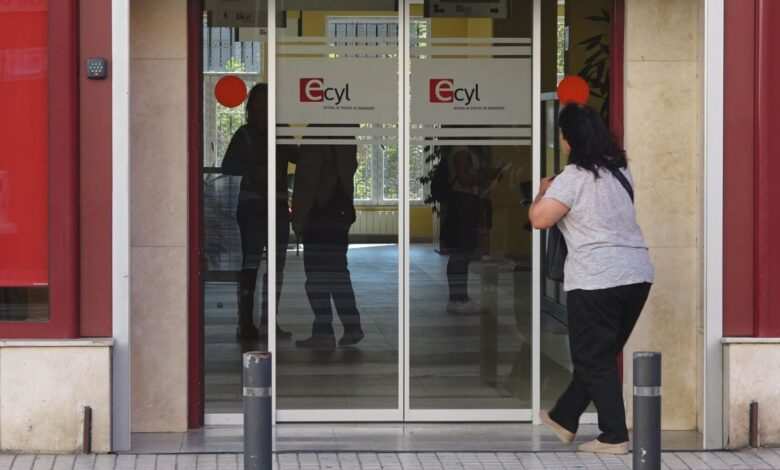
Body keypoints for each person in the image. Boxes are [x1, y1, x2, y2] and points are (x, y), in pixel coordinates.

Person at [529, 104, 655, 455]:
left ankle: (614, 436)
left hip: (596, 278)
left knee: (592, 358)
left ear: (569, 140)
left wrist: (542, 191)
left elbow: (539, 219)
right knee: (600, 354)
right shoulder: (620, 172)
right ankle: (565, 416)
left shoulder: (572, 178)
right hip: (637, 275)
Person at [221, 83, 295, 342]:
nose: (263, 110)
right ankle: (246, 323)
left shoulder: (279, 133)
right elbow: (228, 166)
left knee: (276, 268)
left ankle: (268, 322)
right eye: (259, 105)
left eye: (267, 104)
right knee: (250, 266)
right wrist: (254, 167)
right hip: (253, 208)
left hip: (276, 206)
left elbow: (299, 157)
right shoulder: (244, 135)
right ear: (251, 108)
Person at [291, 138, 364, 351]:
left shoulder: (316, 138)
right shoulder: (346, 137)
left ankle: (323, 332)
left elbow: (307, 182)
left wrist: (298, 218)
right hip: (339, 214)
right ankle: (352, 327)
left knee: (316, 277)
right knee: (338, 273)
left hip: (319, 216)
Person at [444, 145, 502, 315]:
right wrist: (484, 177)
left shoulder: (465, 150)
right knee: (460, 253)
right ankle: (458, 299)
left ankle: (460, 298)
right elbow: (464, 179)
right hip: (463, 205)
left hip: (464, 204)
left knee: (462, 253)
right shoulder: (461, 151)